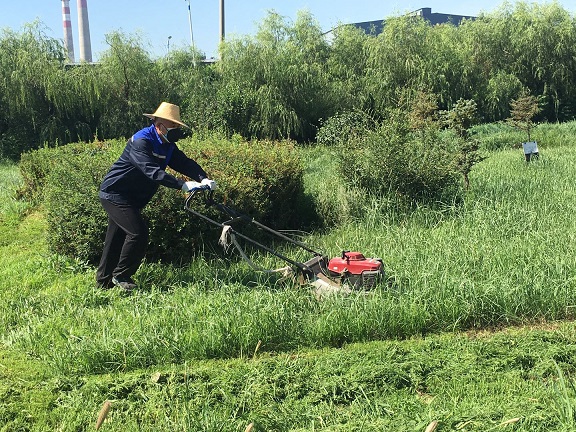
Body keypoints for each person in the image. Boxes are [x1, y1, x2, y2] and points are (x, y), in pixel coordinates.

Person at [96, 102, 216, 291]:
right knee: (138, 233)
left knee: (115, 238)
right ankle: (122, 275)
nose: (177, 130)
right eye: (173, 126)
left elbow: (184, 163)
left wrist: (203, 178)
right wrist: (182, 184)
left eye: (177, 126)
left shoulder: (168, 145)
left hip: (132, 198)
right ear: (160, 126)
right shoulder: (141, 141)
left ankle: (103, 284)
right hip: (115, 194)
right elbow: (151, 171)